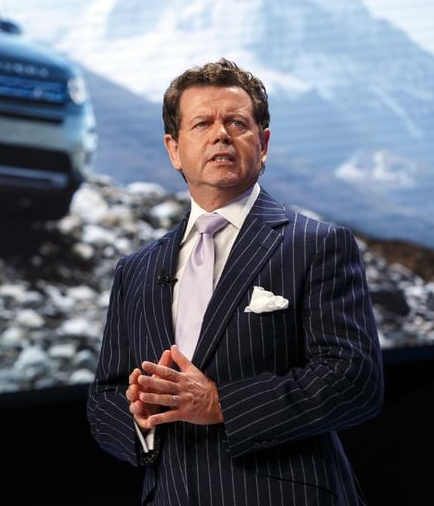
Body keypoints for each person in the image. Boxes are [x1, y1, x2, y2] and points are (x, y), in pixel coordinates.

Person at [86, 58, 384, 505]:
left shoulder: (317, 245)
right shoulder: (137, 270)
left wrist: (221, 404)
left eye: (237, 123)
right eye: (202, 123)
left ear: (263, 145)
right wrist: (139, 417)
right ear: (174, 149)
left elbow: (354, 380)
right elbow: (104, 397)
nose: (221, 134)